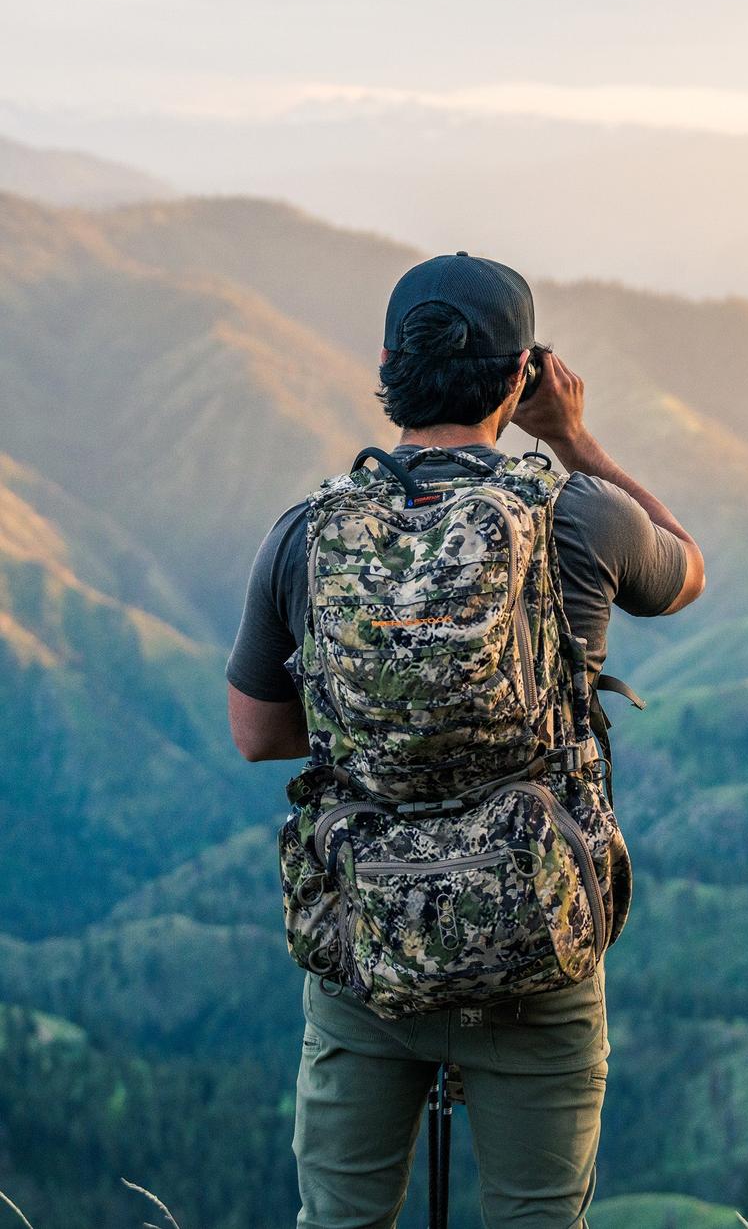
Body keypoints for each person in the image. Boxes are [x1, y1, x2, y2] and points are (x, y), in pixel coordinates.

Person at [225, 251, 705, 1229]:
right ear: (523, 375)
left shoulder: (308, 534)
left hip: (368, 949)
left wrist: (388, 708)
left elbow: (257, 733)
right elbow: (685, 572)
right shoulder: (579, 516)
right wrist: (572, 437)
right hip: (536, 943)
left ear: (388, 366)